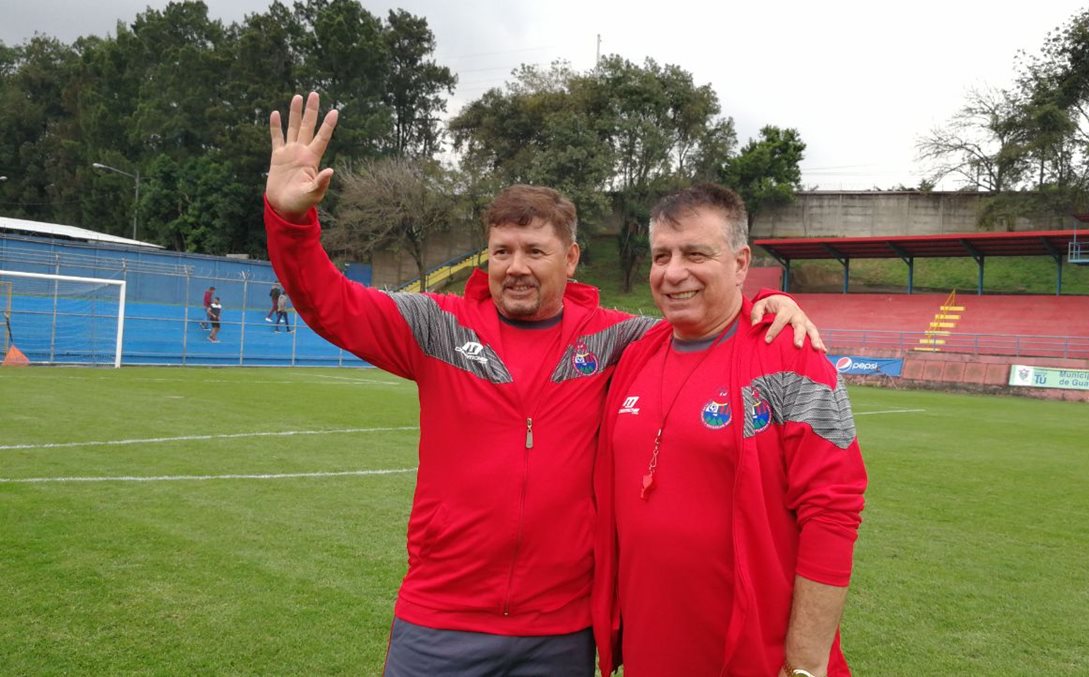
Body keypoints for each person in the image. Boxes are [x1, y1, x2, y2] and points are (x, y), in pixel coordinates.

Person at [263, 92, 824, 677]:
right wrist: (291, 221)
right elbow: (329, 302)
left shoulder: (617, 340)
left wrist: (764, 300)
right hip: (441, 622)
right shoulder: (437, 326)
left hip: (561, 631)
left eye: (535, 250)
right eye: (501, 251)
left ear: (572, 258)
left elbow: (698, 312)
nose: (516, 266)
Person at [594, 183, 868, 677]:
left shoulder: (792, 355)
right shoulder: (634, 353)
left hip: (754, 659)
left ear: (741, 263)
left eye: (695, 253)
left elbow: (833, 513)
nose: (673, 272)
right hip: (648, 652)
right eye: (661, 256)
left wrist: (805, 665)